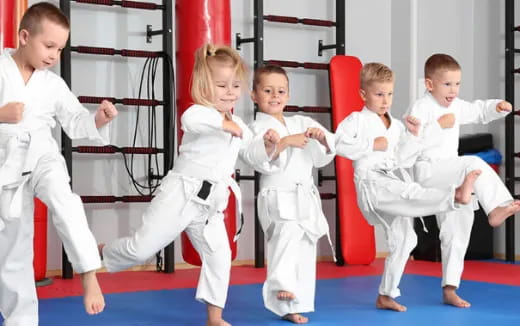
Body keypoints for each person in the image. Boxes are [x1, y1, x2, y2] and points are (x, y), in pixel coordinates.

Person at [100, 43, 278, 326]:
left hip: (210, 206)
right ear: (205, 86)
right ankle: (101, 251)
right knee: (141, 249)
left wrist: (268, 146)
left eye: (234, 85)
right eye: (221, 85)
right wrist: (223, 125)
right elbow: (191, 120)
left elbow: (251, 155)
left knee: (220, 258)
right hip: (181, 194)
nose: (230, 91)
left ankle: (214, 317)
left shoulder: (240, 124)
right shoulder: (200, 113)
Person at [0, 2, 117, 325]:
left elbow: (74, 120)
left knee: (66, 203)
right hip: (6, 169)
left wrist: (97, 118)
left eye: (60, 49)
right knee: (14, 250)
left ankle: (89, 274)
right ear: (24, 36)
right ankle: (20, 321)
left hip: (43, 157)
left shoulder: (52, 84)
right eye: (49, 46)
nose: (54, 55)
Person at [335, 62, 481, 312]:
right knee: (411, 193)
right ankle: (454, 196)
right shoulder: (356, 120)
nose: (385, 101)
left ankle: (386, 294)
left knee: (405, 239)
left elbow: (404, 158)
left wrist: (414, 137)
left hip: (392, 179)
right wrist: (372, 144)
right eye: (379, 94)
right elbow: (338, 145)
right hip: (372, 184)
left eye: (389, 94)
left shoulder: (397, 126)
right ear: (363, 94)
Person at [405, 53, 520, 308]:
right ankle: (497, 208)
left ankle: (450, 288)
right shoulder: (420, 108)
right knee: (474, 163)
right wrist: (437, 126)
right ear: (429, 84)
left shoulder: (455, 106)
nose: (453, 90)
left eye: (457, 84)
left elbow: (476, 110)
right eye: (447, 84)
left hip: (452, 176)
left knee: (458, 227)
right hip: (428, 171)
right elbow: (409, 144)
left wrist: (496, 106)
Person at [248, 65, 335, 324]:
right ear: (254, 95)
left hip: (304, 195)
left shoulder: (302, 122)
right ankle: (281, 284)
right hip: (276, 193)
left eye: (281, 91)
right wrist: (284, 142)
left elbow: (321, 158)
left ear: (288, 95)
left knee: (306, 247)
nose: (275, 96)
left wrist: (321, 139)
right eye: (267, 90)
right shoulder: (256, 128)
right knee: (285, 233)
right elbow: (260, 161)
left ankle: (293, 305)